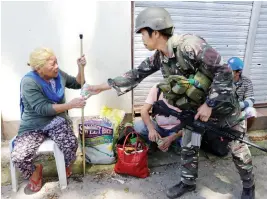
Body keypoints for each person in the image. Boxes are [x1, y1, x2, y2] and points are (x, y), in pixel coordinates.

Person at [84, 7, 255, 199]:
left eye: (143, 34)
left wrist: (209, 104)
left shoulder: (190, 45)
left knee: (239, 150)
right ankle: (187, 183)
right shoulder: (160, 57)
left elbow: (223, 71)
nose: (142, 39)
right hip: (195, 112)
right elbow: (136, 75)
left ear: (155, 32)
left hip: (223, 109)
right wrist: (102, 86)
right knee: (189, 146)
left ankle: (249, 186)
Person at [11, 47, 87, 192]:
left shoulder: (58, 75)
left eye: (56, 62)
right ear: (39, 68)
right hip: (34, 124)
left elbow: (78, 83)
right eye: (52, 64)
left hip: (55, 120)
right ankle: (35, 171)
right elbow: (43, 109)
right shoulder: (29, 82)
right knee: (19, 156)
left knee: (71, 143)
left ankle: (65, 165)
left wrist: (81, 67)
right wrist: (70, 105)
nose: (57, 66)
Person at [133, 83, 182, 153]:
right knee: (139, 126)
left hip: (177, 130)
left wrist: (172, 138)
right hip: (158, 126)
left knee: (190, 142)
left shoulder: (190, 93)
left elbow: (191, 125)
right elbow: (144, 110)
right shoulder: (158, 88)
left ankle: (171, 143)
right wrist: (151, 129)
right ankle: (154, 141)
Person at [228, 57, 257, 130]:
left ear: (238, 72)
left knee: (251, 112)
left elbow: (251, 100)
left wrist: (239, 105)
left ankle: (244, 132)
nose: (227, 71)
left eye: (231, 70)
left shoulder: (247, 82)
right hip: (225, 108)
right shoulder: (222, 79)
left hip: (240, 109)